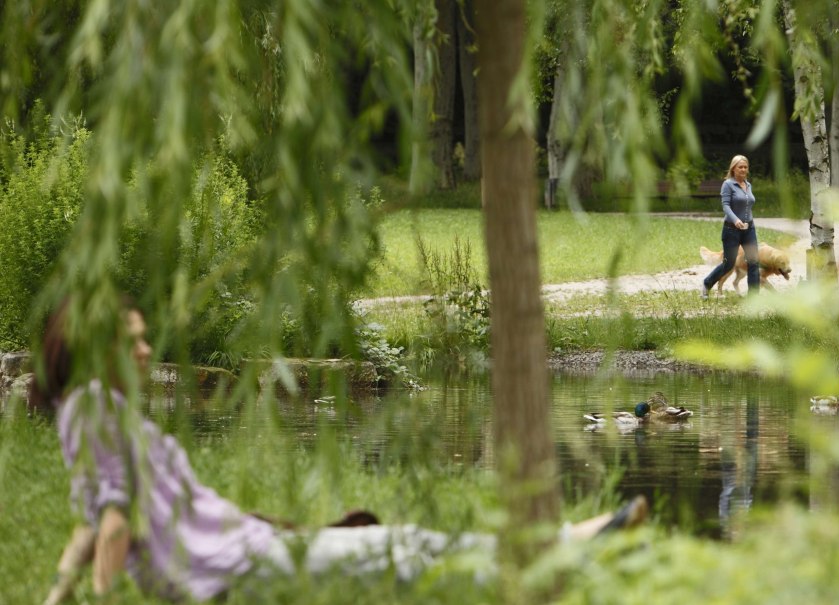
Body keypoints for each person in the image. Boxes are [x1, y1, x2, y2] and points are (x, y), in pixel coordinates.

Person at [36, 301, 646, 604]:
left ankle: (557, 547)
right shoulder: (93, 410)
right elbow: (113, 517)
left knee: (403, 544)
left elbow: (92, 519)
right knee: (398, 547)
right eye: (133, 342)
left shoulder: (92, 412)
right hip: (225, 567)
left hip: (238, 551)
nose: (146, 352)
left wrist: (57, 596)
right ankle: (557, 554)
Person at [701, 155, 760, 298]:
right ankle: (707, 283)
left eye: (745, 167)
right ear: (733, 168)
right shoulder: (728, 184)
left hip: (749, 230)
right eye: (740, 167)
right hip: (731, 230)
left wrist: (748, 220)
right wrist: (735, 220)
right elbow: (726, 206)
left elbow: (748, 205)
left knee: (753, 262)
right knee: (728, 263)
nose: (743, 169)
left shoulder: (748, 184)